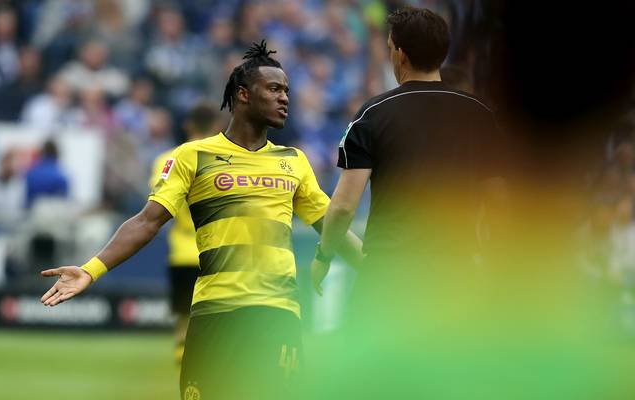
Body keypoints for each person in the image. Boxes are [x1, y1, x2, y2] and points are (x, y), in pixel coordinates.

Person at [40, 41, 363, 400]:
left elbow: (332, 226)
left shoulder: (294, 161)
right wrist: (90, 270)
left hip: (276, 314)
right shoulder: (193, 156)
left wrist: (376, 271)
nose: (284, 98)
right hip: (215, 313)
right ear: (243, 94)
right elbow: (147, 221)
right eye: (274, 89)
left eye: (286, 90)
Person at [308, 7, 506, 397]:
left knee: (372, 382)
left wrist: (324, 255)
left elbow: (343, 206)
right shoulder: (480, 116)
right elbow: (500, 205)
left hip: (390, 274)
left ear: (399, 53)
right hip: (457, 274)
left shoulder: (373, 114)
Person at [148, 101, 222, 364]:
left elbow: (158, 199)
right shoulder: (227, 159)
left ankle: (182, 351)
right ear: (217, 125)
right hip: (217, 250)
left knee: (183, 312)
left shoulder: (167, 159)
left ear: (187, 125)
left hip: (182, 249)